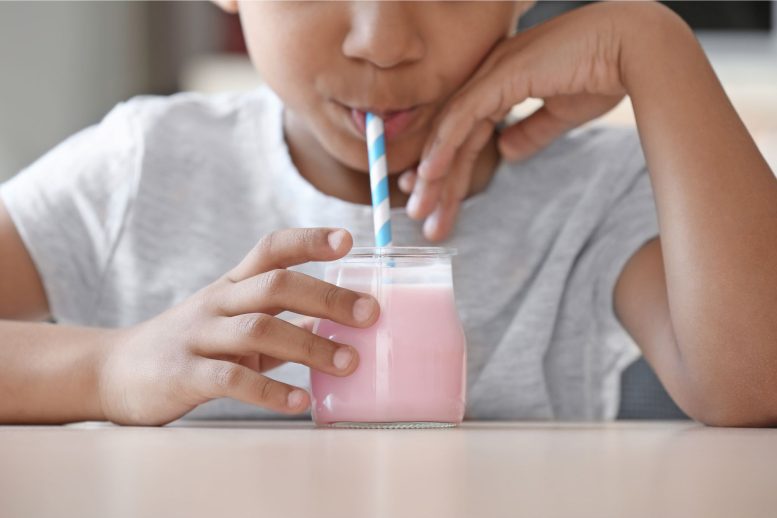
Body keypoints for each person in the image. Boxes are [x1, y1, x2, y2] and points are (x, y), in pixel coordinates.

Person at [1, 1, 775, 427]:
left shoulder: (591, 193)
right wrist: (108, 367)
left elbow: (758, 387)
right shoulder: (143, 168)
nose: (382, 41)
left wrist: (653, 46)